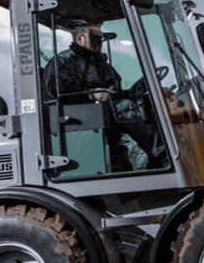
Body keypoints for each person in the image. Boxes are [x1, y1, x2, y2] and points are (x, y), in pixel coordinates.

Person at [42, 24, 169, 172]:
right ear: (79, 39)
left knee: (149, 103)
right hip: (75, 114)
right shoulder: (62, 62)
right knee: (125, 106)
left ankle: (156, 160)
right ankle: (161, 153)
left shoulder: (104, 66)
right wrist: (89, 94)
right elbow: (57, 91)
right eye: (95, 38)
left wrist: (136, 92)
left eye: (101, 39)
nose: (99, 43)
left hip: (104, 109)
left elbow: (116, 94)